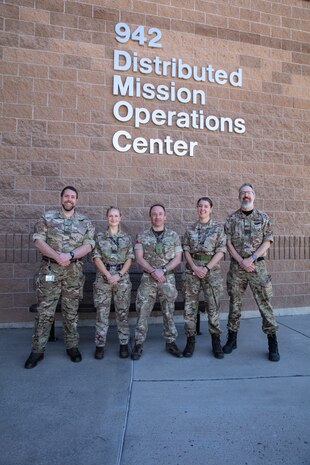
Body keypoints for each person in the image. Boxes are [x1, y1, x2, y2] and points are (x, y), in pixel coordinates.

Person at [24, 186, 95, 369]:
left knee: (71, 312)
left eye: (72, 197)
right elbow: (38, 241)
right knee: (45, 312)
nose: (69, 199)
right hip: (50, 270)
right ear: (61, 198)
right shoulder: (47, 218)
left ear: (76, 200)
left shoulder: (85, 222)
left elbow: (88, 245)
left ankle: (72, 347)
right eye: (66, 196)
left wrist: (69, 255)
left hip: (73, 272)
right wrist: (57, 257)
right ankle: (37, 351)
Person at [223, 183, 280, 361]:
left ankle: (273, 343)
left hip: (258, 267)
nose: (246, 196)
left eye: (249, 193)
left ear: (254, 196)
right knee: (235, 304)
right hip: (237, 268)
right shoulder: (231, 219)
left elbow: (268, 241)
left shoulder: (263, 217)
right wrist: (241, 261)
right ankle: (232, 339)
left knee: (265, 304)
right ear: (239, 197)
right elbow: (228, 243)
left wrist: (251, 258)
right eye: (243, 193)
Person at [131, 204, 183, 360]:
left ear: (165, 216)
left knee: (169, 311)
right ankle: (139, 343)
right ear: (150, 217)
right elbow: (139, 258)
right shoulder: (142, 235)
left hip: (168, 279)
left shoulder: (174, 236)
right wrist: (154, 271)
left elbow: (178, 258)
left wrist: (164, 271)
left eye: (160, 214)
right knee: (142, 311)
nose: (157, 217)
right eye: (154, 214)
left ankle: (171, 342)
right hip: (148, 278)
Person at [182, 197, 227, 358]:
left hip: (212, 272)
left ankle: (216, 341)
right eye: (200, 206)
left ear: (211, 209)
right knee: (190, 308)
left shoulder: (218, 229)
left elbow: (221, 251)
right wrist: (194, 267)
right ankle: (190, 341)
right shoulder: (190, 229)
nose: (202, 209)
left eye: (206, 206)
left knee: (213, 306)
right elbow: (186, 249)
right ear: (196, 208)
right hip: (192, 272)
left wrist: (206, 268)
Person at [92, 207, 134, 359]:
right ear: (106, 217)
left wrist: (119, 274)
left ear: (120, 217)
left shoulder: (127, 238)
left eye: (116, 216)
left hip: (122, 279)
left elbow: (130, 258)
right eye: (111, 216)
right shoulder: (99, 237)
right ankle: (100, 345)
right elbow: (96, 257)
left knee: (122, 313)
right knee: (102, 314)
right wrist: (108, 274)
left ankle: (123, 344)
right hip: (104, 278)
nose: (113, 218)